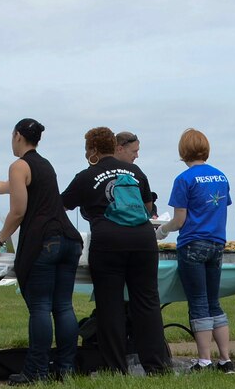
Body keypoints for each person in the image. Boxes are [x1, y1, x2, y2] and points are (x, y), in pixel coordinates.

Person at [0, 118, 83, 384]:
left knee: (39, 307)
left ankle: (36, 371)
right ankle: (66, 368)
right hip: (70, 241)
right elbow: (9, 186)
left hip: (45, 242)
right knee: (62, 307)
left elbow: (18, 211)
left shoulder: (19, 165)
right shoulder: (43, 164)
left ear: (17, 135)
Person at [59, 126, 171, 376]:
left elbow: (61, 205)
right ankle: (156, 366)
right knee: (147, 303)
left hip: (109, 241)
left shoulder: (87, 175)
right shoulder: (135, 171)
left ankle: (116, 368)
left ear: (92, 150)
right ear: (114, 146)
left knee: (111, 306)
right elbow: (148, 206)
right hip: (143, 240)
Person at [156, 129, 234, 373]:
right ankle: (226, 359)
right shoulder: (221, 176)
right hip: (217, 242)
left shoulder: (184, 179)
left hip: (192, 243)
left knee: (198, 302)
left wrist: (162, 230)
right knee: (214, 302)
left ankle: (204, 360)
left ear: (183, 151)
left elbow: (179, 220)